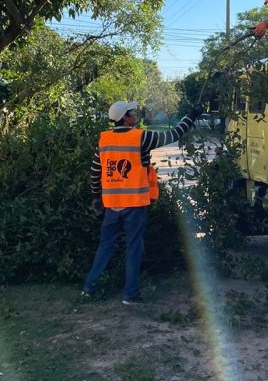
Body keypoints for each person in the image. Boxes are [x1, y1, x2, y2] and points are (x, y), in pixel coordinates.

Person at [82, 99, 202, 304]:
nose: (135, 115)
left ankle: (89, 288)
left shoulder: (104, 140)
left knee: (105, 246)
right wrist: (192, 116)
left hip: (111, 205)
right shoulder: (141, 137)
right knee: (134, 247)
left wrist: (95, 197)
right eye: (132, 112)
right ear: (125, 117)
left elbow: (95, 172)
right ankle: (131, 294)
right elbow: (173, 135)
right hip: (134, 204)